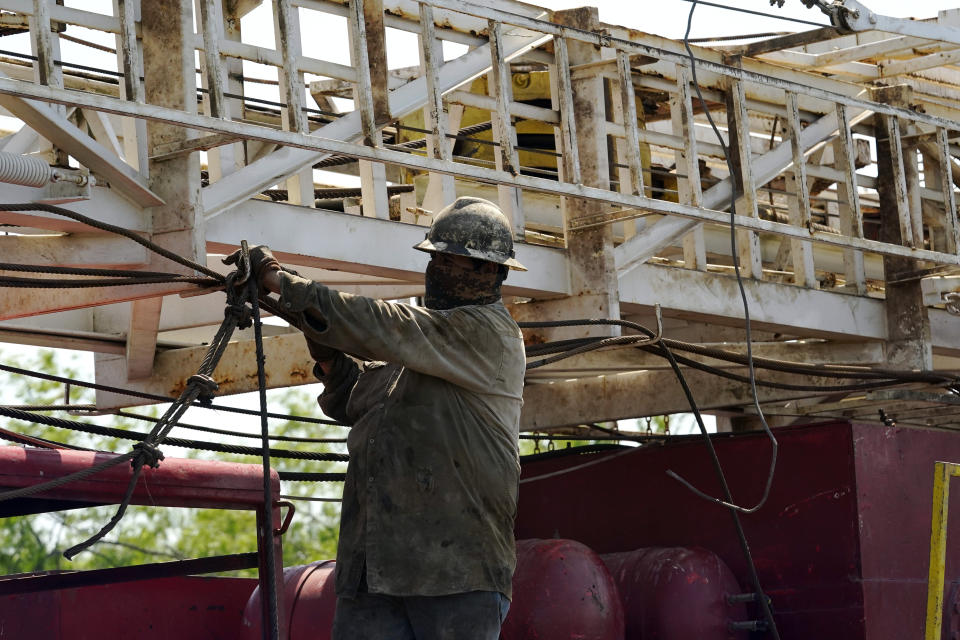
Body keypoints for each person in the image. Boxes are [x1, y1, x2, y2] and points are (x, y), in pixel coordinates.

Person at [236, 197, 527, 639]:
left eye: (460, 263)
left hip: (455, 574)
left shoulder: (488, 335)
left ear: (494, 274)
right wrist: (325, 347)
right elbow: (353, 399)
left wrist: (278, 280)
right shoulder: (413, 353)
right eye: (439, 259)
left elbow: (380, 323)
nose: (444, 271)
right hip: (373, 571)